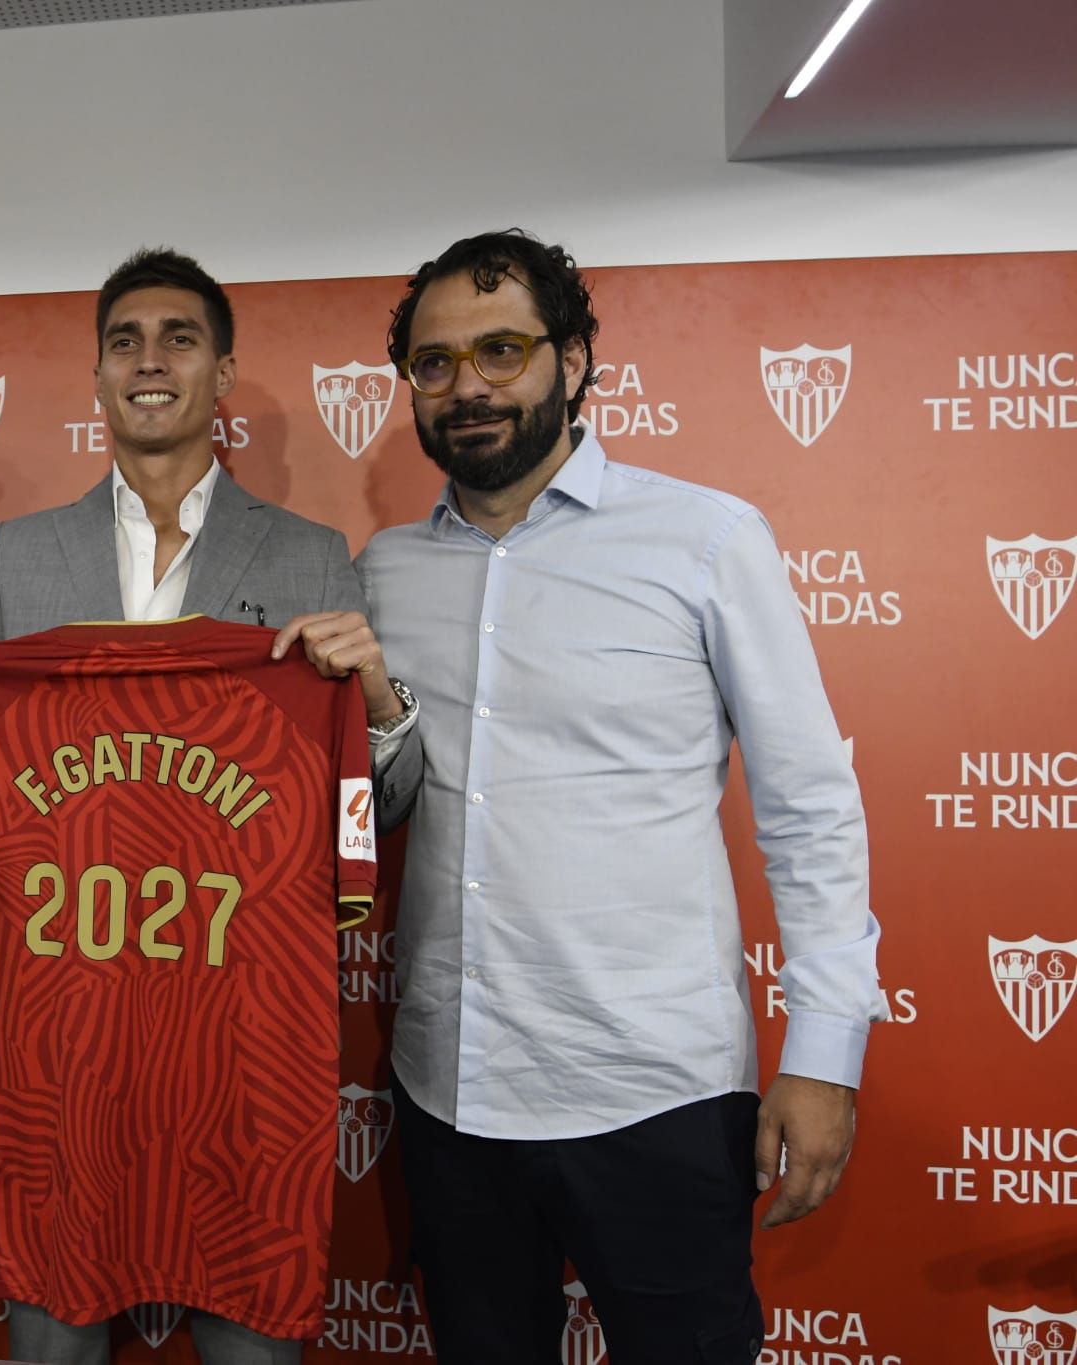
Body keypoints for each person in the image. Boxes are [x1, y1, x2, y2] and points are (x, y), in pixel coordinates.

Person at [357, 230, 887, 1363]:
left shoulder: (702, 539)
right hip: (448, 1093)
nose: (469, 387)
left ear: (575, 357)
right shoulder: (381, 573)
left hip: (653, 1095)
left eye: (501, 349)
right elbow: (367, 800)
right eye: (435, 364)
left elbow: (806, 805)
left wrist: (822, 1054)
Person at [0, 247, 418, 1365]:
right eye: (124, 340)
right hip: (61, 1053)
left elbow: (383, 802)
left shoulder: (312, 557)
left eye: (179, 338)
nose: (149, 361)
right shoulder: (17, 558)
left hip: (236, 1049)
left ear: (221, 374)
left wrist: (375, 700)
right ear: (95, 378)